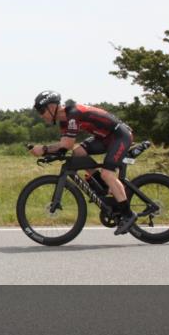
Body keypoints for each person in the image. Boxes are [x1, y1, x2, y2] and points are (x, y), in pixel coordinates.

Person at [28, 90, 138, 235]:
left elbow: (67, 144)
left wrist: (44, 149)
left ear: (52, 107)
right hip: (105, 138)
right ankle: (103, 187)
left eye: (42, 111)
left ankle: (128, 215)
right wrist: (50, 153)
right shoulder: (64, 121)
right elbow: (65, 147)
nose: (41, 115)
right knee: (78, 153)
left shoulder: (73, 113)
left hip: (120, 136)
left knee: (107, 173)